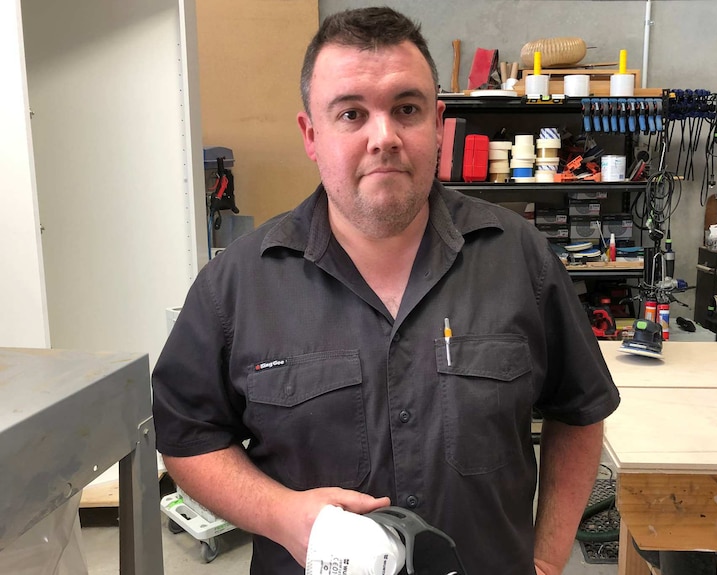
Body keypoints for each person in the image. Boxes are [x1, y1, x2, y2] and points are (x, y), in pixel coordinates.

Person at [151, 7, 620, 575]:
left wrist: (545, 558)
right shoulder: (238, 285)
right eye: (351, 113)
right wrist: (279, 514)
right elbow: (187, 437)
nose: (385, 137)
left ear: (438, 123)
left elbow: (579, 412)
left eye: (407, 109)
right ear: (311, 135)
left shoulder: (520, 259)